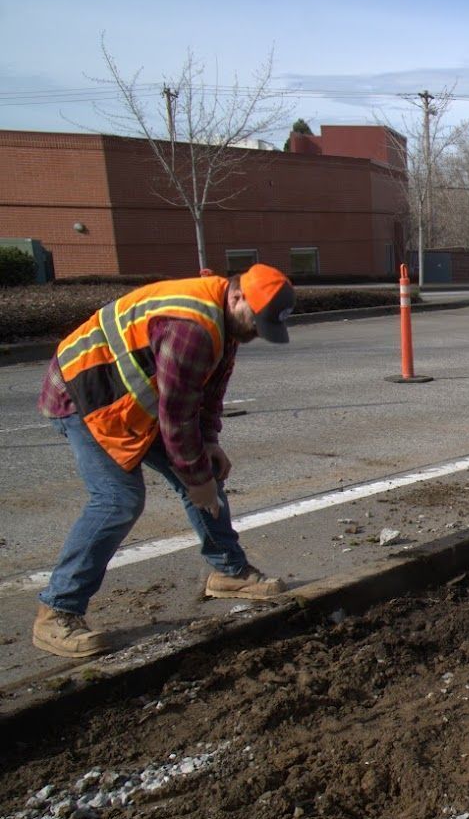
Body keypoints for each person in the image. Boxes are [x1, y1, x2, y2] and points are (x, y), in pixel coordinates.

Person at [32, 264, 296, 658]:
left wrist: (209, 444)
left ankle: (228, 571)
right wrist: (197, 479)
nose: (256, 331)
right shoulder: (192, 327)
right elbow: (175, 415)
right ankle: (57, 611)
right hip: (84, 396)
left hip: (133, 399)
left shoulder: (227, 319)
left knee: (203, 471)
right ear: (238, 296)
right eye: (256, 321)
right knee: (118, 500)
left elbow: (208, 391)